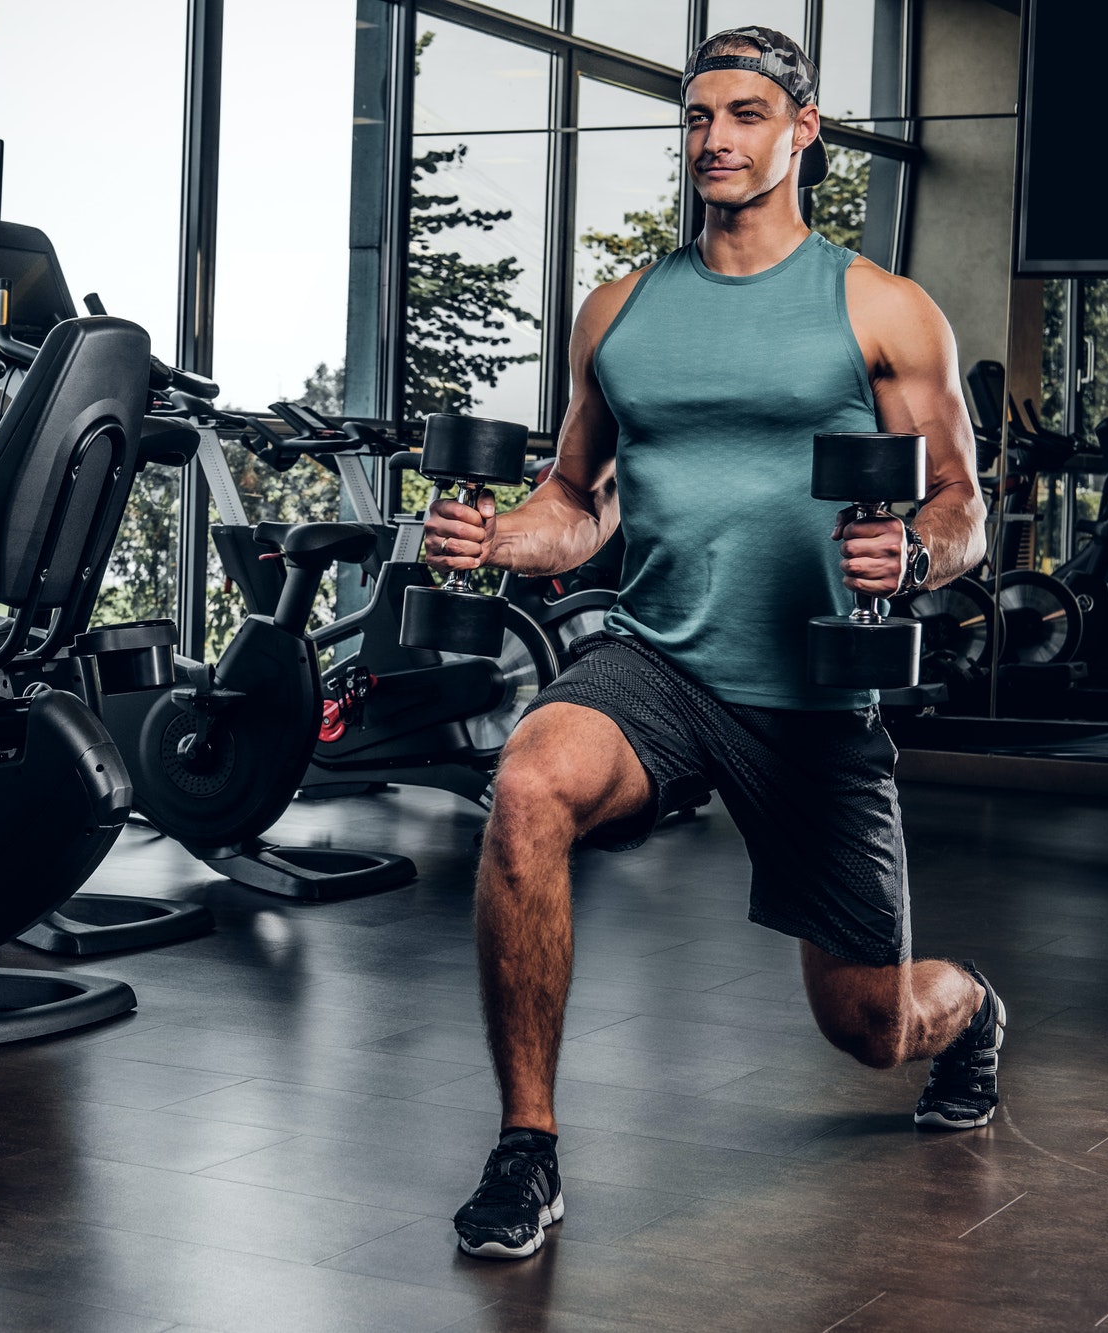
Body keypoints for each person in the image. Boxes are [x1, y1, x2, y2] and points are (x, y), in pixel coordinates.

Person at [426, 25, 1005, 1262]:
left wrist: (910, 554)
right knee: (527, 781)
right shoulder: (621, 311)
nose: (714, 141)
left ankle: (968, 1009)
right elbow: (572, 505)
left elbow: (962, 501)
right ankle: (526, 1145)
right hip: (658, 663)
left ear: (802, 131)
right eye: (695, 119)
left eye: (744, 115)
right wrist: (488, 540)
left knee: (866, 1023)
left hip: (813, 699)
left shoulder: (881, 307)